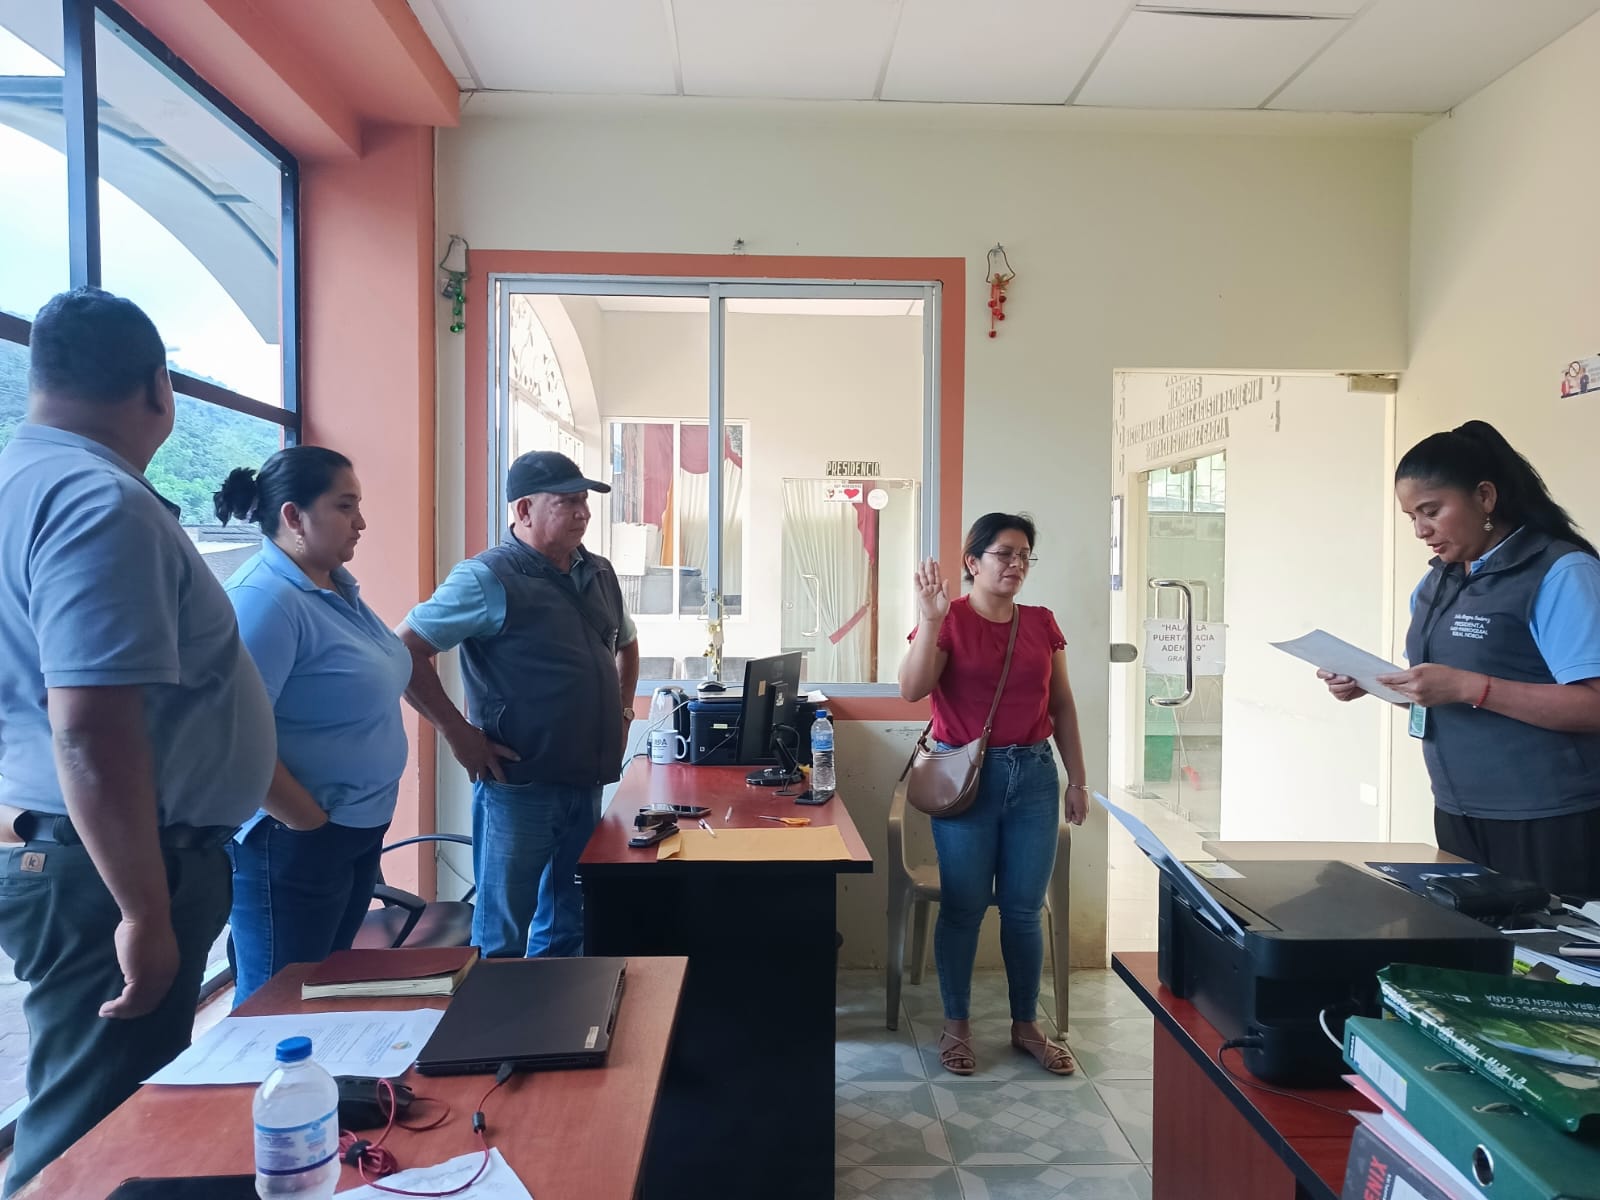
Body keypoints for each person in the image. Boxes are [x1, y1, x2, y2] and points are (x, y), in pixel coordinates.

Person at [0, 288, 275, 1193]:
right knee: (95, 1133)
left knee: (114, 1113)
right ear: (160, 389)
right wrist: (143, 912)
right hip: (115, 870)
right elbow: (89, 727)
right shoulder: (97, 501)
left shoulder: (21, 484)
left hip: (84, 855)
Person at [1320, 420, 1600, 898]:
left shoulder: (1560, 572)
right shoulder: (1437, 582)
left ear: (1485, 497)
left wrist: (1469, 686)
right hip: (1458, 810)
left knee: (1545, 945)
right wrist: (1371, 682)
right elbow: (1437, 692)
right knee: (1472, 943)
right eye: (1411, 517)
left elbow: (1593, 706)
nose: (1420, 530)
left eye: (1431, 511)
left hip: (1551, 817)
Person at [399, 451, 640, 958]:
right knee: (502, 934)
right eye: (567, 502)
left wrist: (622, 713)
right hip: (519, 789)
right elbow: (404, 650)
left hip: (586, 782)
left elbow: (627, 644)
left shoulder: (599, 572)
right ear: (524, 510)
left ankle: (559, 1010)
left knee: (571, 921)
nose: (583, 513)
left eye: (584, 501)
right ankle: (494, 1013)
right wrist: (458, 733)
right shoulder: (486, 578)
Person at [215, 447, 415, 1005]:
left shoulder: (333, 587)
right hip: (294, 841)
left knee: (322, 994)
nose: (361, 522)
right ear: (293, 517)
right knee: (276, 1004)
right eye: (345, 506)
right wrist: (308, 822)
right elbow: (229, 737)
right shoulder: (265, 600)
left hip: (351, 830)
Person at [898, 513, 1089, 1077]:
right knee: (964, 908)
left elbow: (1063, 705)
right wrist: (930, 621)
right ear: (973, 561)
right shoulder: (949, 619)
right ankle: (956, 1023)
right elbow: (911, 689)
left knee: (1024, 910)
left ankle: (1025, 1024)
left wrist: (1078, 779)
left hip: (1034, 776)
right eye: (1004, 553)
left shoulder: (1041, 622)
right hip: (966, 781)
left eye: (1024, 555)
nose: (1016, 564)